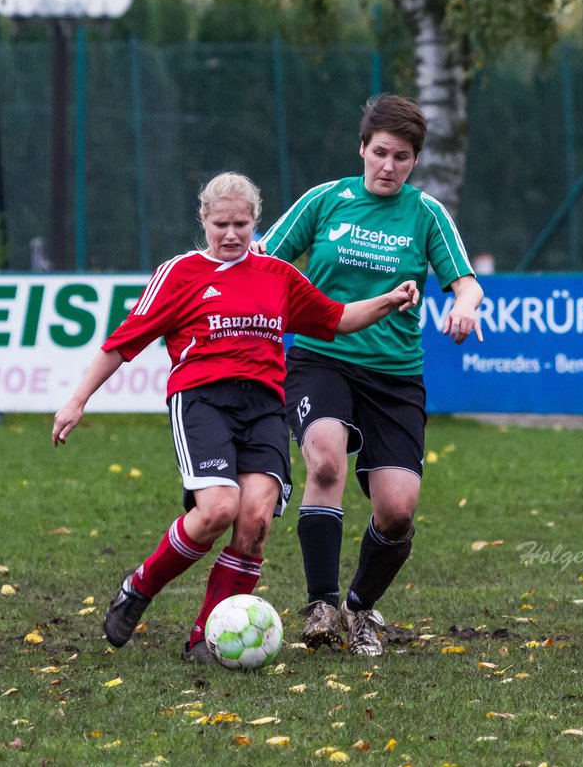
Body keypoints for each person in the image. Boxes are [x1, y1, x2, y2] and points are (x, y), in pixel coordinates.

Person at [52, 172, 419, 664]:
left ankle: (204, 637)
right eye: (220, 223)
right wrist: (77, 400)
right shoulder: (180, 273)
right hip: (202, 401)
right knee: (218, 510)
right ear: (203, 221)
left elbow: (337, 319)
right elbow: (123, 343)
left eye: (241, 224)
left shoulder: (278, 275)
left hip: (265, 406)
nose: (230, 234)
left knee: (255, 523)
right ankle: (139, 587)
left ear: (255, 223)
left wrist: (389, 300)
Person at [257, 94, 484, 656]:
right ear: (362, 149)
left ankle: (359, 608)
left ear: (414, 161)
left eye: (401, 157)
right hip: (321, 355)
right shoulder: (325, 201)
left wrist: (466, 306)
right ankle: (319, 604)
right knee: (327, 459)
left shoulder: (426, 214)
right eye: (380, 152)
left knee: (398, 509)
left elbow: (466, 281)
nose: (388, 166)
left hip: (395, 375)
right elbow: (265, 260)